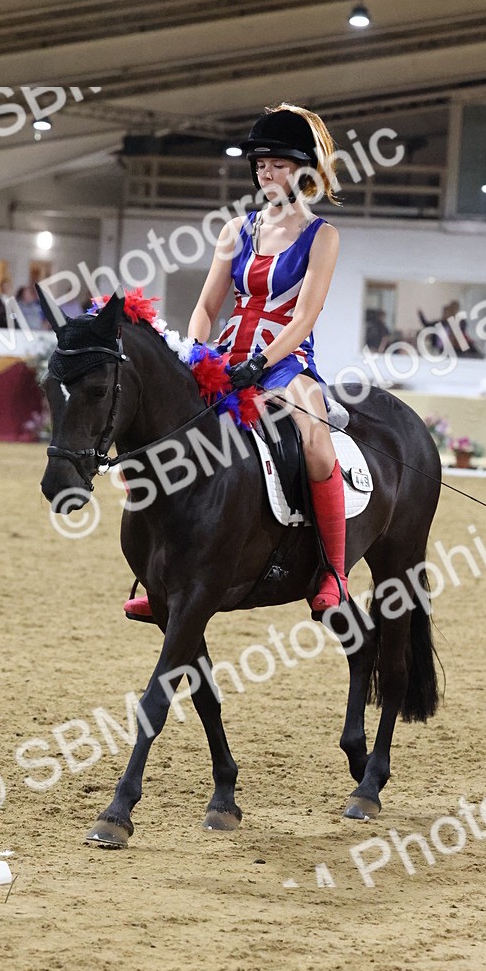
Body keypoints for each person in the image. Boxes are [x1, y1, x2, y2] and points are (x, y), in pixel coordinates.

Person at [126, 102, 345, 621]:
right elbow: (206, 306)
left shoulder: (323, 237)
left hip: (286, 362)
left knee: (315, 444)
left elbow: (305, 317)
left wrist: (263, 362)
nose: (265, 174)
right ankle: (155, 573)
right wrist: (193, 353)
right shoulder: (235, 231)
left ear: (305, 170)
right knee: (163, 433)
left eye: (278, 165)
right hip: (225, 355)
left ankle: (333, 571)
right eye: (260, 165)